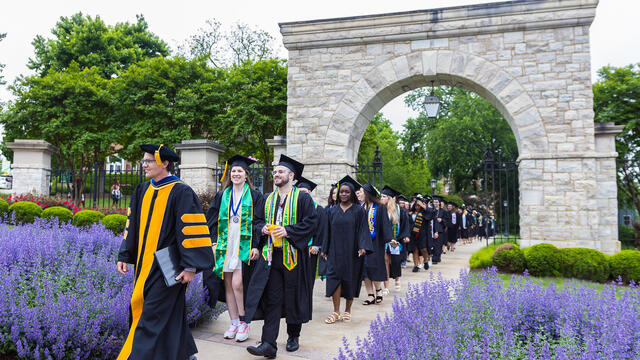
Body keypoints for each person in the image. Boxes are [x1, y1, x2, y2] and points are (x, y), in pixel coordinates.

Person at [116, 144, 214, 360]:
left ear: (165, 163)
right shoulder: (142, 190)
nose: (144, 165)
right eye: (144, 161)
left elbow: (192, 229)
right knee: (168, 314)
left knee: (150, 315)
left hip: (168, 268)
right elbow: (131, 224)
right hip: (143, 267)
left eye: (149, 161)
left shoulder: (181, 191)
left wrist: (190, 266)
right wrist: (124, 255)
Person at [245, 155, 317, 358]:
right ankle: (268, 343)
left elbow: (311, 223)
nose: (276, 174)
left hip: (294, 257)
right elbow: (256, 221)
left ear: (291, 176)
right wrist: (263, 229)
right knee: (272, 299)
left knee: (293, 297)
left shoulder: (302, 198)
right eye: (275, 171)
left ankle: (293, 336)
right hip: (271, 257)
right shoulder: (267, 198)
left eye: (281, 171)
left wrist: (289, 232)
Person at [202, 155, 265, 342]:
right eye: (234, 171)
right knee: (228, 284)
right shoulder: (222, 195)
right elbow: (211, 220)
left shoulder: (255, 196)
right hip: (225, 244)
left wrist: (255, 246)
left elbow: (260, 222)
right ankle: (234, 322)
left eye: (240, 171)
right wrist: (213, 242)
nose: (236, 174)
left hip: (243, 245)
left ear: (246, 175)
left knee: (238, 283)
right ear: (230, 174)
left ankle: (245, 321)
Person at [321, 175, 371, 324]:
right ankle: (336, 311)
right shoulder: (332, 211)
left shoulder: (358, 211)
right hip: (335, 251)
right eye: (341, 191)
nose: (343, 194)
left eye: (347, 192)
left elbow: (363, 230)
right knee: (334, 280)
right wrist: (324, 248)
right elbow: (326, 231)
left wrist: (363, 247)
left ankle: (347, 311)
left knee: (350, 279)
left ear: (352, 194)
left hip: (352, 251)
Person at [291, 176, 328, 338]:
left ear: (310, 192)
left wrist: (317, 245)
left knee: (308, 278)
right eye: (300, 191)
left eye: (305, 192)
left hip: (310, 249)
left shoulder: (318, 209)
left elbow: (321, 229)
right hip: (294, 249)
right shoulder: (293, 208)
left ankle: (306, 303)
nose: (303, 194)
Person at [360, 183, 392, 306]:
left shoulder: (379, 207)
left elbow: (385, 224)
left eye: (361, 192)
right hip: (362, 244)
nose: (359, 194)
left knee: (374, 267)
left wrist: (390, 239)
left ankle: (378, 290)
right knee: (364, 269)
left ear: (367, 193)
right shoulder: (359, 207)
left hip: (375, 243)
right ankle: (370, 295)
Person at [380, 186, 410, 292]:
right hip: (383, 240)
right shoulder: (380, 209)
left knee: (395, 261)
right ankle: (386, 286)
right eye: (381, 196)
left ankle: (397, 279)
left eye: (384, 196)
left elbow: (405, 224)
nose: (381, 198)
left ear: (390, 198)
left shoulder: (399, 210)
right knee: (385, 261)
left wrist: (406, 235)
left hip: (395, 240)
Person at [408, 196, 433, 272]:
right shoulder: (410, 213)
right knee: (414, 250)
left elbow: (431, 213)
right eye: (416, 205)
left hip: (422, 234)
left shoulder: (424, 213)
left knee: (423, 249)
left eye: (419, 205)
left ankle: (425, 261)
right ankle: (416, 265)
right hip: (413, 234)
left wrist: (423, 205)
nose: (417, 207)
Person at [431, 196, 447, 264]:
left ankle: (436, 258)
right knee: (433, 244)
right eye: (434, 202)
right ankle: (435, 257)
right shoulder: (431, 210)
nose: (435, 203)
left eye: (437, 202)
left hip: (440, 229)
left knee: (438, 244)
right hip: (432, 229)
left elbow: (447, 221)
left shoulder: (443, 211)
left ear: (439, 203)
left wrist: (442, 220)